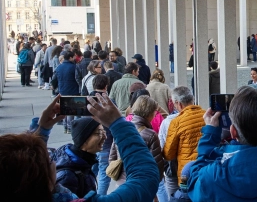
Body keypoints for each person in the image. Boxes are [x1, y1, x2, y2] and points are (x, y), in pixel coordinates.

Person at [0, 93, 159, 201]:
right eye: (48, 161)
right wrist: (118, 124)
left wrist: (42, 132)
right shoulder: (68, 179)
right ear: (43, 181)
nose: (53, 161)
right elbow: (145, 178)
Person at [110, 95, 167, 201]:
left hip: (121, 185)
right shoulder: (150, 135)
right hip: (142, 185)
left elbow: (112, 157)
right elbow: (157, 165)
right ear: (151, 113)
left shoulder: (122, 129)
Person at [163, 86, 206, 186]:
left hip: (186, 173)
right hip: (207, 168)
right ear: (192, 99)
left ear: (179, 104)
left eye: (174, 105)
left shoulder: (176, 122)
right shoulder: (207, 116)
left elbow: (169, 154)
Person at [55, 51, 80, 133]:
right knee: (71, 110)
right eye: (74, 57)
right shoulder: (74, 67)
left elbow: (56, 78)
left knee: (65, 109)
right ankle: (70, 127)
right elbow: (77, 78)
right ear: (70, 57)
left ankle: (65, 126)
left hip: (62, 90)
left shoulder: (59, 67)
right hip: (72, 89)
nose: (75, 58)